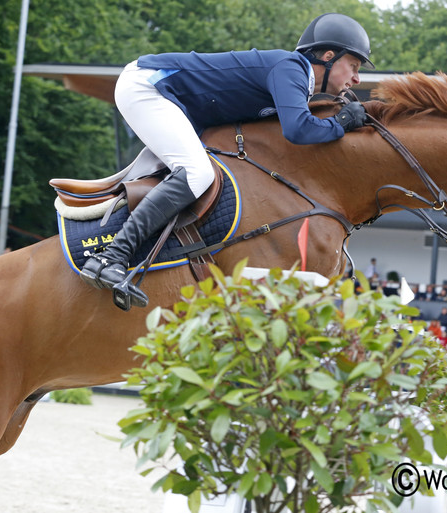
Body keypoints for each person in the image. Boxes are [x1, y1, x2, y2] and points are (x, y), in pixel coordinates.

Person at [79, 13, 373, 307]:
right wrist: (343, 123)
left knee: (202, 174)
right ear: (329, 56)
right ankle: (110, 257)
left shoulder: (297, 81)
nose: (357, 79)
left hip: (169, 98)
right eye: (354, 66)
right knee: (197, 174)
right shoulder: (292, 68)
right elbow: (298, 129)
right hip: (148, 86)